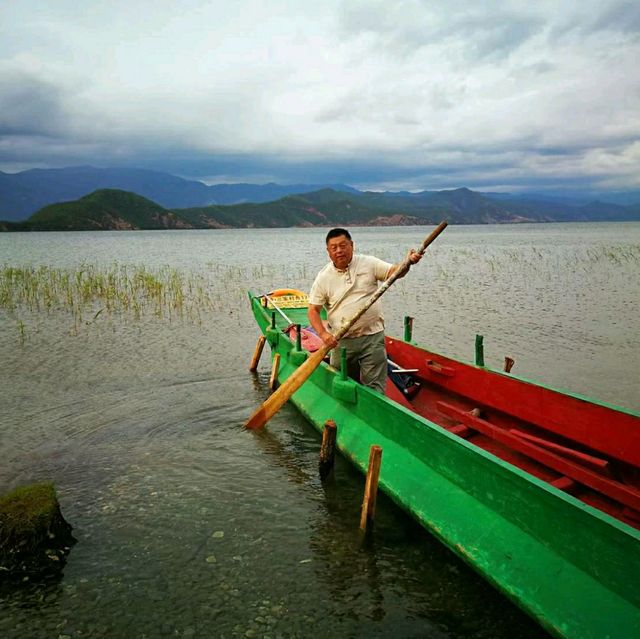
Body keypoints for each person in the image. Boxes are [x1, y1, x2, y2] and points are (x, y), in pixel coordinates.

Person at [307, 228, 422, 393]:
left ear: (352, 245)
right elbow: (313, 311)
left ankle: (375, 411)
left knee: (375, 387)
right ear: (328, 251)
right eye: (334, 247)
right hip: (342, 341)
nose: (339, 250)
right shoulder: (323, 277)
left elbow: (394, 273)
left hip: (372, 337)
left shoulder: (368, 263)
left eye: (343, 245)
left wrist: (408, 262)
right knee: (342, 382)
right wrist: (324, 335)